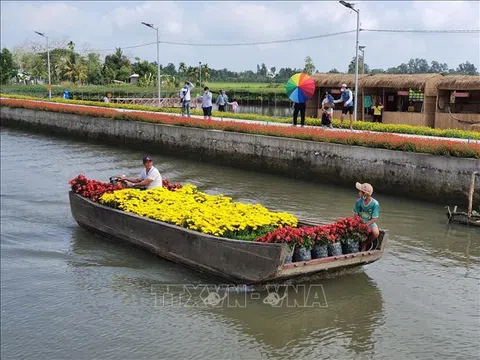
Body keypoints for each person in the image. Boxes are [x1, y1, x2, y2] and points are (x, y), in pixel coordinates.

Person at [353, 182, 380, 251]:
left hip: (369, 222)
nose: (359, 193)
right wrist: (358, 222)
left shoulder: (375, 204)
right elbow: (355, 214)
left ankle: (366, 243)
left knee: (376, 233)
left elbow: (374, 218)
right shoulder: (359, 201)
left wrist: (366, 225)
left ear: (364, 193)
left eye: (360, 192)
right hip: (360, 220)